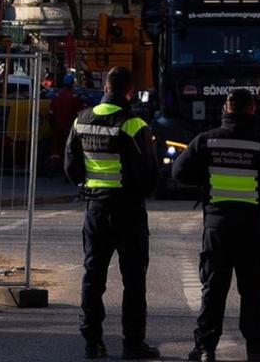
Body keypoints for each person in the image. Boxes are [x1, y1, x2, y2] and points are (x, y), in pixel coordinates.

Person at [173, 89, 260, 362]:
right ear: (252, 110)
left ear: (225, 109)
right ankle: (255, 348)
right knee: (252, 291)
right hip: (252, 228)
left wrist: (205, 179)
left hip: (217, 227)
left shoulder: (205, 142)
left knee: (213, 289)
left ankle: (205, 348)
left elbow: (178, 172)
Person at [64, 66, 160, 360]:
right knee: (133, 280)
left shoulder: (82, 120)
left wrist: (89, 186)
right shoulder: (134, 124)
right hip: (128, 211)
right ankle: (132, 344)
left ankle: (92, 341)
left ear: (106, 87)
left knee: (93, 276)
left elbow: (71, 168)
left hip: (95, 208)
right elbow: (148, 174)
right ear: (129, 91)